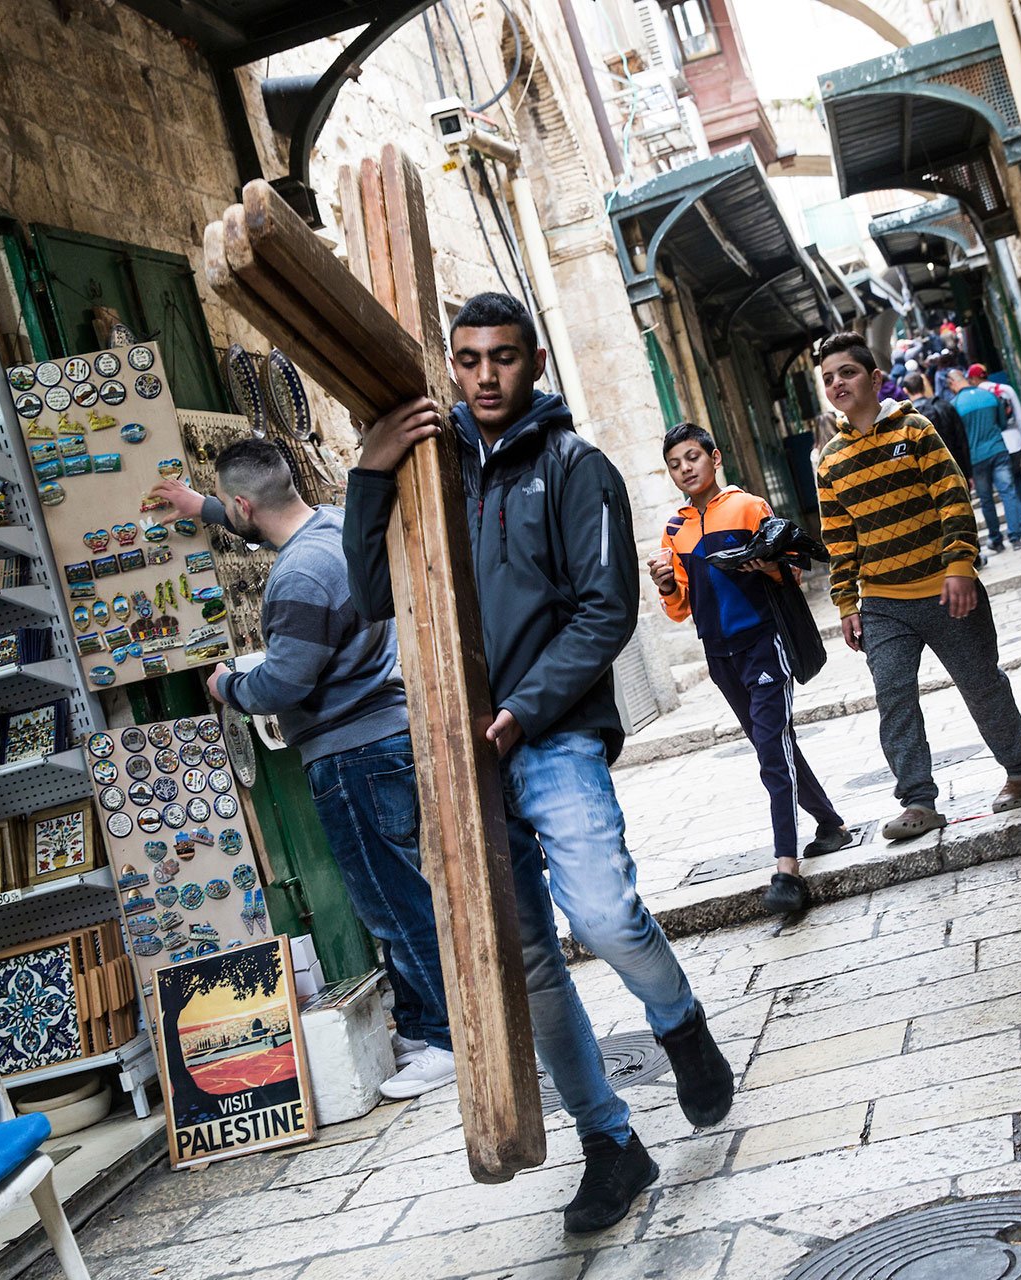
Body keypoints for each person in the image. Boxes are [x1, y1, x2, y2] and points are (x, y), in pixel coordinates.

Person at [344, 292, 734, 1234]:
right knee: (526, 965)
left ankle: (679, 1024)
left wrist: (523, 709)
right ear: (453, 365)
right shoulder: (427, 477)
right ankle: (611, 1144)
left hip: (549, 733)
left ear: (536, 363)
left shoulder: (575, 468)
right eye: (469, 359)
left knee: (601, 913)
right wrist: (370, 470)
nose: (486, 376)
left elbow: (607, 611)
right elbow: (370, 596)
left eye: (505, 358)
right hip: (456, 753)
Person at [157, 445, 457, 1100]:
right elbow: (257, 522)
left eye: (228, 507)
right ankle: (424, 1024)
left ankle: (446, 1043)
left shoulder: (298, 576)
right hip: (380, 735)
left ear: (244, 503)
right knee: (399, 889)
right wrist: (198, 507)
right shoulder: (329, 527)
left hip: (350, 752)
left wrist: (229, 685)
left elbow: (287, 681)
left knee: (392, 902)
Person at [813, 330, 1021, 841]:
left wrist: (960, 567)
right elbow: (839, 537)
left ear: (875, 379)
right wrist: (847, 601)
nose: (837, 383)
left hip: (945, 590)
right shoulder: (829, 461)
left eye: (847, 372)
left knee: (981, 684)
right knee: (894, 696)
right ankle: (918, 802)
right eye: (828, 378)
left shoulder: (916, 430)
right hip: (882, 603)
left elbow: (952, 498)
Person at [648, 423, 851, 914]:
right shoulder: (674, 529)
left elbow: (793, 572)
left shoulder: (748, 506)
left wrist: (768, 566)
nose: (685, 469)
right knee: (773, 742)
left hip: (765, 643)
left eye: (693, 457)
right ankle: (831, 825)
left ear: (714, 458)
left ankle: (787, 870)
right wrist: (665, 584)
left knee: (769, 750)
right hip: (719, 656)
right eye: (675, 464)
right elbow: (680, 609)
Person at [946, 366, 1021, 552]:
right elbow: (1001, 422)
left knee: (986, 500)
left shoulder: (956, 404)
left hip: (976, 458)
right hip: (998, 449)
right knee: (1008, 492)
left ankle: (996, 539)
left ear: (952, 383)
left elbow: (958, 438)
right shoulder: (990, 397)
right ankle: (1016, 537)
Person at [970, 363, 1021, 533]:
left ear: (974, 378)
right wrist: (1017, 434)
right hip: (1015, 439)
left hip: (998, 443)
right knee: (1017, 477)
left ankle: (1020, 523)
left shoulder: (979, 396)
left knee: (1006, 487)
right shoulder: (1006, 389)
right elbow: (1020, 415)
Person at [904, 370, 971, 481]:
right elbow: (961, 439)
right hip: (955, 469)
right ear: (923, 385)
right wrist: (968, 473)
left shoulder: (906, 419)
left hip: (929, 477)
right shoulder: (944, 406)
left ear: (905, 390)